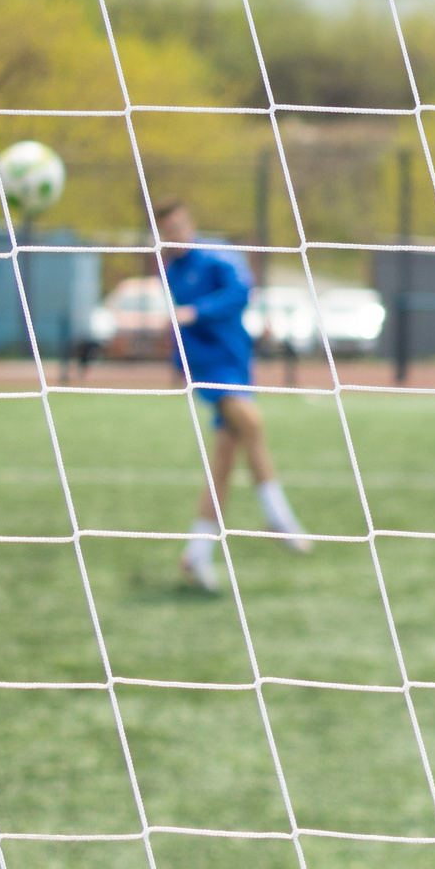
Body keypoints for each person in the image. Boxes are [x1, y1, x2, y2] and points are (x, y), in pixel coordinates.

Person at [159, 199, 309, 593]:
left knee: (224, 461)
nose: (173, 236)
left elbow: (240, 292)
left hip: (235, 365)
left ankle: (197, 554)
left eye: (177, 227)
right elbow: (180, 325)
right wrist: (178, 363)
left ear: (189, 224)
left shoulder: (217, 258)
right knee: (252, 423)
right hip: (207, 370)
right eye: (165, 230)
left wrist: (199, 311)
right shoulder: (171, 271)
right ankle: (277, 516)